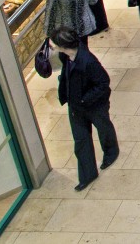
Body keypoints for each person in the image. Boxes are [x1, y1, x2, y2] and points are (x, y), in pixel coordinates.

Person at [52, 26, 118, 191]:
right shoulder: (65, 56)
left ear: (64, 46)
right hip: (76, 107)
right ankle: (87, 175)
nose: (53, 46)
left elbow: (103, 83)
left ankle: (111, 152)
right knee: (81, 141)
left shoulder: (88, 61)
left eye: (55, 43)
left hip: (94, 106)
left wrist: (84, 99)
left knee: (103, 128)